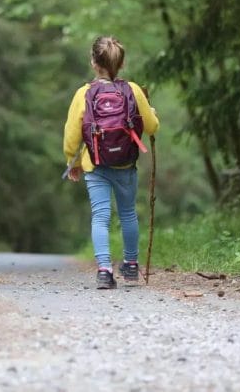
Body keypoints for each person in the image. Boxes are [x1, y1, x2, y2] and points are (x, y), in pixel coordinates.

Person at [63, 36, 159, 289]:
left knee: (100, 216)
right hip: (125, 165)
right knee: (127, 214)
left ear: (94, 62)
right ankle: (130, 267)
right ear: (122, 63)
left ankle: (104, 270)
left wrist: (72, 161)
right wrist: (153, 115)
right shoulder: (133, 91)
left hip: (96, 165)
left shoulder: (84, 94)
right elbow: (151, 126)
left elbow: (72, 135)